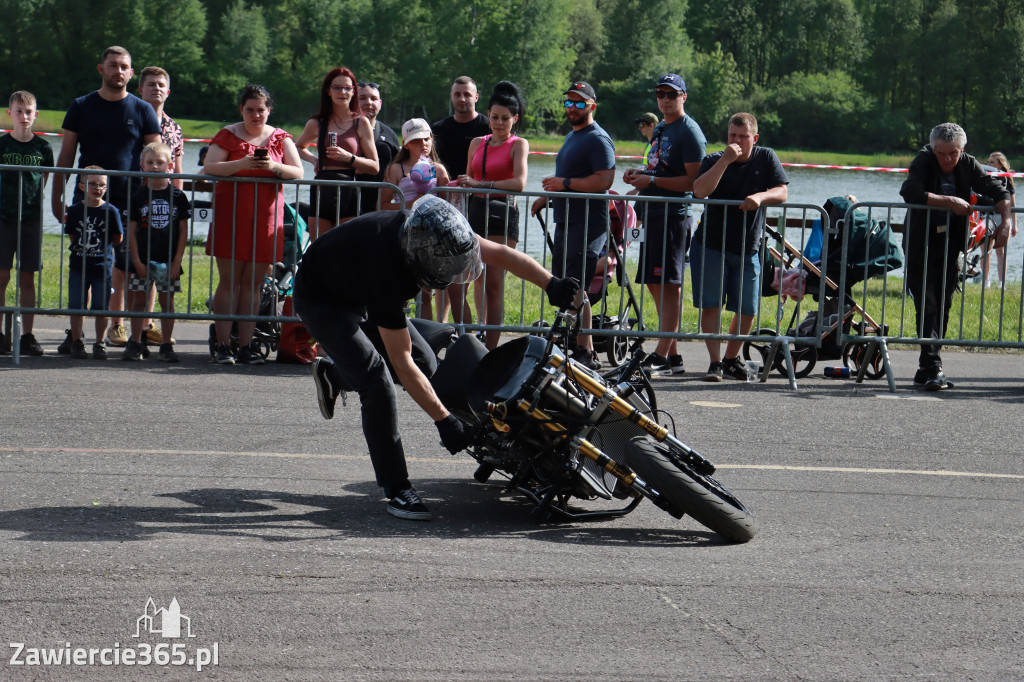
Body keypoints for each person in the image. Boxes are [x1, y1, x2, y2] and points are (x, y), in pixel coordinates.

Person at [293, 195, 580, 521]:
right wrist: (445, 422)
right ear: (422, 260)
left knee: (429, 367)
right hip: (323, 298)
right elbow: (400, 360)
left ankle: (336, 376)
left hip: (356, 281)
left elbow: (499, 253)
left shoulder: (437, 231)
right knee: (377, 382)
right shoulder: (389, 270)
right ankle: (396, 488)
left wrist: (550, 283)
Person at [51, 46, 161, 349]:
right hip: (86, 203)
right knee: (85, 269)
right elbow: (66, 156)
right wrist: (57, 197)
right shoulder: (81, 106)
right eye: (113, 66)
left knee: (134, 269)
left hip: (131, 204)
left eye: (124, 66)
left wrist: (157, 203)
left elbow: (157, 158)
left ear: (131, 71)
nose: (119, 71)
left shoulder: (142, 110)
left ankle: (132, 336)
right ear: (101, 69)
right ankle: (75, 336)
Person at [899, 123, 1012, 390]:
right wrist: (949, 201)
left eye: (954, 153)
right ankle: (934, 366)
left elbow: (999, 190)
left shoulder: (969, 163)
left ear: (962, 149)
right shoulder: (924, 160)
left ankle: (926, 367)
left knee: (944, 303)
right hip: (920, 243)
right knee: (927, 304)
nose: (948, 159)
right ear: (933, 148)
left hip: (950, 243)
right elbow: (910, 191)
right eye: (942, 153)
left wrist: (1006, 222)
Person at [203, 84, 304, 366]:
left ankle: (246, 347)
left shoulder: (280, 137)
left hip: (267, 219)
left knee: (253, 284)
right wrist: (244, 162)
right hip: (230, 215)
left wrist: (273, 167)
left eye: (261, 109)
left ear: (268, 110)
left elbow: (298, 172)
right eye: (250, 109)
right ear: (241, 110)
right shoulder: (227, 135)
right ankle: (224, 345)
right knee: (230, 281)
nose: (256, 115)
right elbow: (210, 167)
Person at [691, 113, 789, 382]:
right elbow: (699, 191)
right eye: (732, 136)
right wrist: (725, 160)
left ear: (754, 139)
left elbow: (782, 191)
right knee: (711, 305)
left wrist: (760, 196)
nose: (736, 141)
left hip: (748, 247)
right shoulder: (714, 159)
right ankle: (714, 363)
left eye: (742, 136)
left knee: (748, 308)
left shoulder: (766, 157)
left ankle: (731, 358)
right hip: (710, 244)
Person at [622, 74, 707, 376]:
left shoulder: (690, 132)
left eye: (672, 94)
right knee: (653, 282)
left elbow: (695, 183)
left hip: (674, 217)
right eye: (661, 93)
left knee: (670, 285)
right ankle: (672, 355)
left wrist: (652, 180)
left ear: (684, 97)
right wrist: (639, 173)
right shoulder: (660, 127)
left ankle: (660, 354)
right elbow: (658, 166)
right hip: (653, 213)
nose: (666, 99)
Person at [531, 81, 616, 370]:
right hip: (566, 219)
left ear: (592, 106)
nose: (572, 108)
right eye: (568, 102)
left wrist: (563, 184)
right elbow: (566, 176)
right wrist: (546, 195)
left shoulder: (598, 138)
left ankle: (586, 349)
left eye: (579, 103)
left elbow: (604, 180)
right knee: (567, 284)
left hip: (588, 221)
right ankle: (576, 343)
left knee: (577, 281)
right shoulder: (572, 136)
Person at [455, 81, 529, 348]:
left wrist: (482, 185)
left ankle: (491, 349)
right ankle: (465, 341)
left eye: (505, 119)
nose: (499, 123)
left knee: (493, 285)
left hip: (502, 214)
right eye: (495, 117)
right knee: (460, 281)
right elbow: (468, 179)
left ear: (515, 119)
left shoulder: (518, 144)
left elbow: (519, 183)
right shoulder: (477, 142)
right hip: (475, 212)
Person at [123, 142, 191, 362]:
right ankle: (135, 342)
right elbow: (131, 231)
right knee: (138, 301)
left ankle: (166, 344)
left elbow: (183, 231)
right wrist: (136, 261)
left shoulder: (178, 196)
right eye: (150, 162)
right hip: (142, 258)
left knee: (167, 302)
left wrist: (176, 261)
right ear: (142, 165)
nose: (154, 166)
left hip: (168, 258)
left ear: (170, 165)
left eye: (160, 162)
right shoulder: (138, 196)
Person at [380, 119, 451, 321]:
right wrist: (411, 203)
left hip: (432, 235)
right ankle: (398, 334)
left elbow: (448, 206)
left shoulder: (438, 170)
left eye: (426, 139)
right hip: (403, 233)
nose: (423, 144)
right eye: (416, 140)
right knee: (402, 290)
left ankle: (428, 338)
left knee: (426, 291)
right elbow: (382, 205)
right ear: (406, 143)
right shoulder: (396, 170)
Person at [296, 67, 379, 240]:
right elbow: (298, 147)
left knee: (345, 251)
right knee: (319, 250)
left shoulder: (361, 122)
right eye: (337, 88)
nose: (343, 92)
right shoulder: (317, 122)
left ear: (353, 91)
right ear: (328, 91)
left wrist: (349, 157)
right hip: (322, 189)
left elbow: (374, 166)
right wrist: (314, 160)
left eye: (347, 88)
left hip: (349, 190)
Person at [134, 65, 184, 349]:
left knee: (158, 267)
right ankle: (122, 326)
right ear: (140, 88)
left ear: (168, 90)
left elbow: (178, 171)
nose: (156, 88)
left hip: (166, 208)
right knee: (132, 270)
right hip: (138, 203)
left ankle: (148, 326)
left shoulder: (174, 127)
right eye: (150, 84)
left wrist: (178, 204)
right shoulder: (132, 116)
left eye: (161, 84)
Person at [0, 90, 53, 356]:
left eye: (28, 112)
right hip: (3, 219)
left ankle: (28, 335)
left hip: (30, 219)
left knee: (27, 278)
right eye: (18, 111)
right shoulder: (2, 145)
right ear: (9, 113)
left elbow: (43, 179)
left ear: (36, 114)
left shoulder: (43, 147)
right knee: (1, 275)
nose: (24, 116)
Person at [63, 167, 123, 359]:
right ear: (82, 186)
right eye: (93, 184)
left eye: (102, 184)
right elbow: (73, 236)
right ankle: (77, 342)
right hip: (78, 267)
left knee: (101, 307)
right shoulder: (74, 211)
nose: (98, 188)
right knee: (76, 306)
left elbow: (117, 237)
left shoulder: (111, 211)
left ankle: (99, 342)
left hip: (101, 267)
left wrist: (100, 251)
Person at [431, 76, 490, 179]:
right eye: (457, 94)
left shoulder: (489, 128)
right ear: (451, 97)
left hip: (480, 192)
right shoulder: (437, 129)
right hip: (445, 192)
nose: (462, 99)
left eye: (467, 95)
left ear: (476, 97)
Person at [356, 81, 400, 214]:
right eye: (362, 98)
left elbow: (399, 168)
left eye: (373, 99)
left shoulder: (390, 135)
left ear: (380, 104)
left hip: (379, 209)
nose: (368, 102)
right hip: (346, 206)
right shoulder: (343, 131)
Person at [979, 152, 1017, 287]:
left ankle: (1002, 283)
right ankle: (986, 282)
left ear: (1000, 165)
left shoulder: (1007, 179)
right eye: (988, 162)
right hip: (985, 216)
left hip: (1001, 217)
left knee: (1001, 251)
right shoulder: (984, 177)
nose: (989, 165)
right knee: (985, 251)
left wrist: (1014, 225)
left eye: (992, 162)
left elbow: (1012, 204)